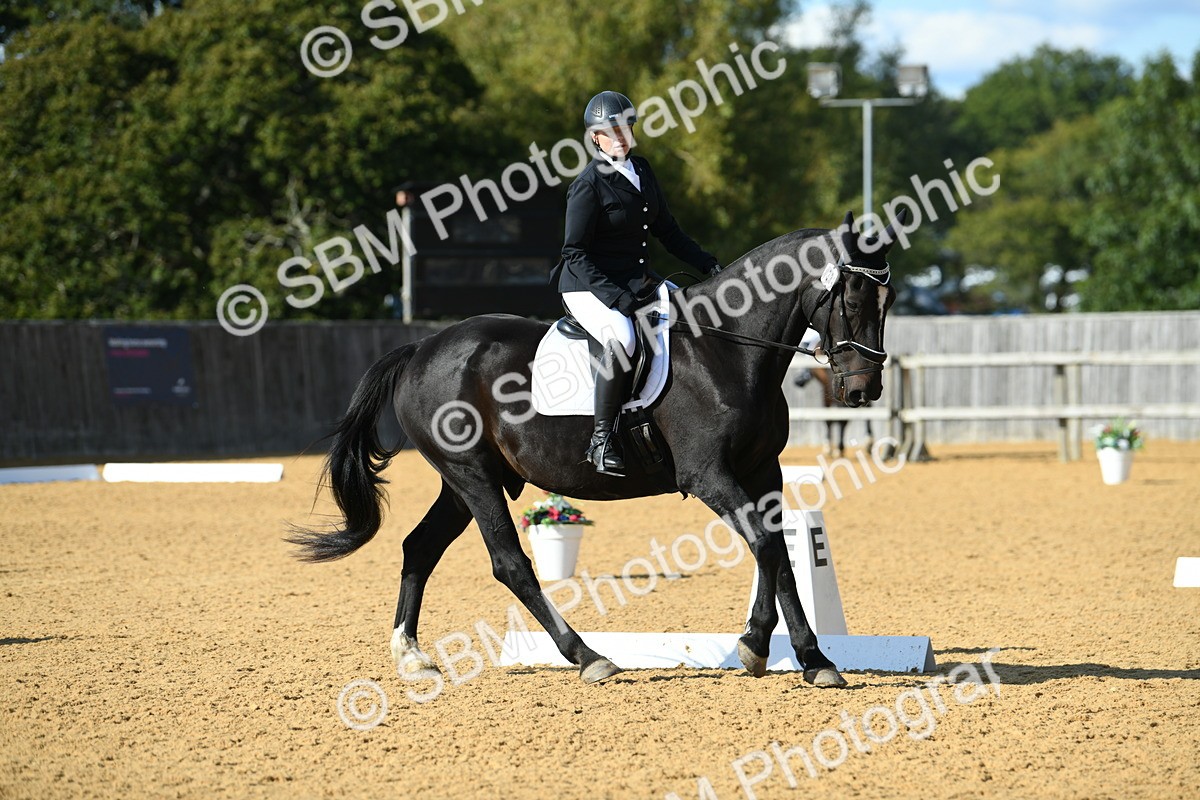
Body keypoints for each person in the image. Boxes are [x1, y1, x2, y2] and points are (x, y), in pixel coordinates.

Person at [551, 90, 722, 476]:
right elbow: (574, 253)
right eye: (612, 130)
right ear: (596, 137)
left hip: (634, 279)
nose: (621, 134)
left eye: (626, 125)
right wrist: (617, 299)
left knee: (694, 316)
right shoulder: (588, 185)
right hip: (586, 285)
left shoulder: (641, 170)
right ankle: (601, 439)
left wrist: (710, 264)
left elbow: (669, 231)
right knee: (624, 337)